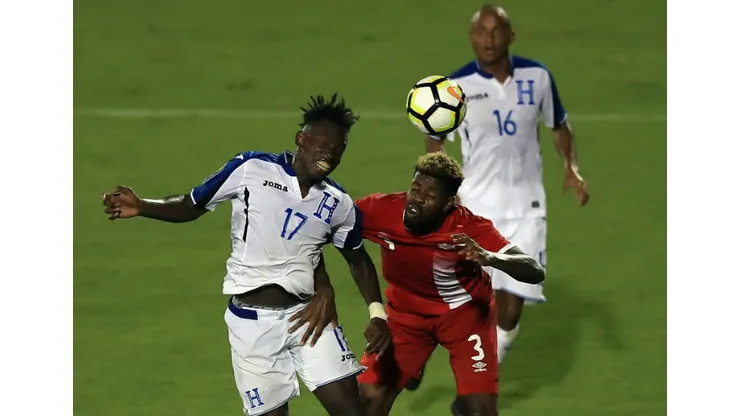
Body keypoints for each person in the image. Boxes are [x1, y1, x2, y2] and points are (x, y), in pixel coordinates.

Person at [101, 94, 391, 416]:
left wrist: (377, 314)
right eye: (323, 144)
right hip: (252, 326)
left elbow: (357, 259)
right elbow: (191, 205)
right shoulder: (252, 168)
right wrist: (143, 206)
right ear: (301, 139)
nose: (329, 154)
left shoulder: (339, 203)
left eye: (338, 150)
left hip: (309, 318)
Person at [418, 4, 590, 379]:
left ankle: (477, 381)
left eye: (496, 31)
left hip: (527, 209)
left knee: (510, 310)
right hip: (477, 208)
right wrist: (442, 188)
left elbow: (559, 124)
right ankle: (418, 354)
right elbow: (435, 139)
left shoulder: (538, 77)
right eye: (481, 32)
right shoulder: (456, 87)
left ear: (510, 36)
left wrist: (571, 167)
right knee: (463, 299)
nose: (489, 39)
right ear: (471, 37)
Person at [353, 152, 545, 416]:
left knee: (479, 412)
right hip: (405, 319)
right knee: (367, 399)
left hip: (465, 320)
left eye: (430, 195)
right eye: (415, 188)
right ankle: (413, 363)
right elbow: (331, 218)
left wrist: (489, 257)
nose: (417, 199)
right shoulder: (381, 210)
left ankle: (424, 372)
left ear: (448, 204)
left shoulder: (468, 227)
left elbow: (533, 270)